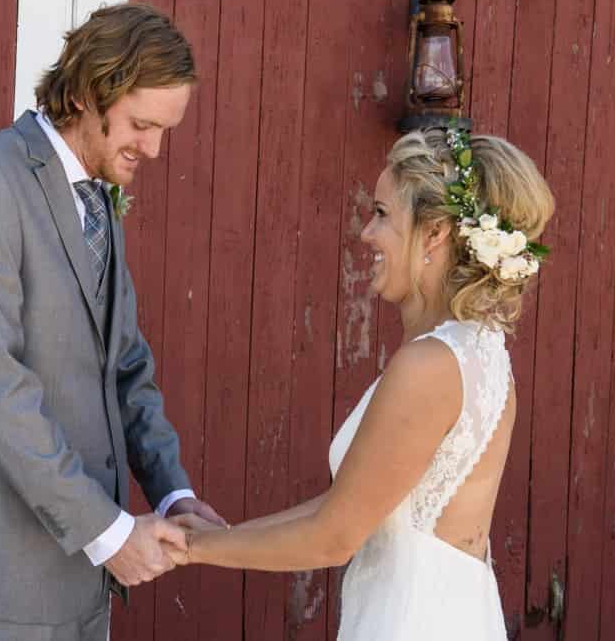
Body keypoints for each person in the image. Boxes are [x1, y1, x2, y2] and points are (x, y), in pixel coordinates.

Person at [0, 4, 225, 639]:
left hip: (85, 576)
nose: (154, 149)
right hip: (0, 575)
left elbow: (125, 368)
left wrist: (171, 493)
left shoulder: (96, 197)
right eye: (141, 125)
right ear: (85, 93)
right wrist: (109, 532)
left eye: (165, 130)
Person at [165, 125, 555, 640]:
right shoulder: (476, 350)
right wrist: (223, 536)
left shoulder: (430, 366)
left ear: (435, 232)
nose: (367, 233)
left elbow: (335, 536)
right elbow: (350, 505)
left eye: (383, 214)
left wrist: (192, 550)